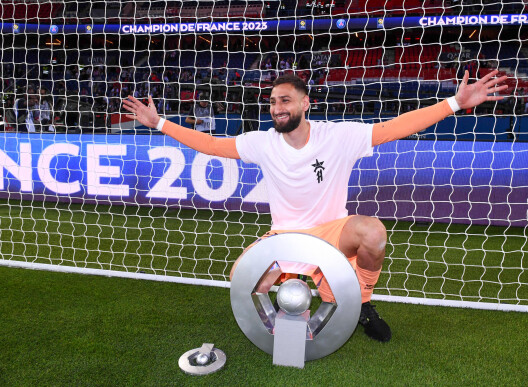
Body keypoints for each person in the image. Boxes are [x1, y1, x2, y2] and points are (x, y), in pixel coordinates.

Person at [123, 71, 507, 342]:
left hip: (330, 235)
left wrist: (456, 102)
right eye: (273, 101)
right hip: (283, 237)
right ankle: (295, 300)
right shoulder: (261, 142)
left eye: (285, 100)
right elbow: (211, 146)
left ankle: (363, 304)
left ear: (305, 103)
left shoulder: (338, 135)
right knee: (241, 280)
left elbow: (396, 127)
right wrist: (160, 124)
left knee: (373, 232)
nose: (277, 107)